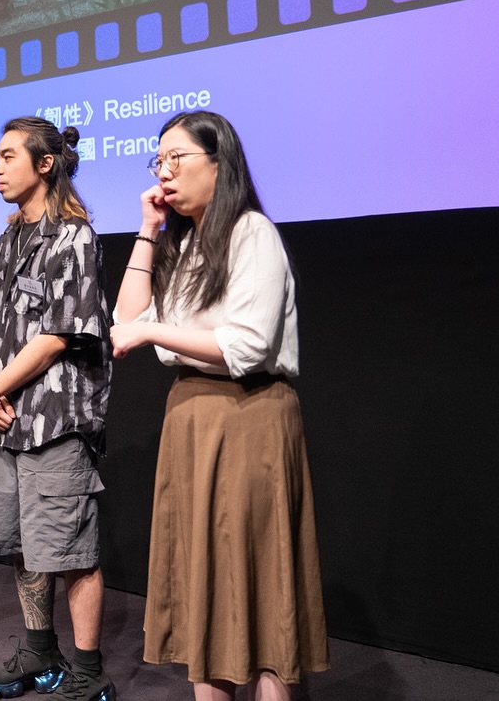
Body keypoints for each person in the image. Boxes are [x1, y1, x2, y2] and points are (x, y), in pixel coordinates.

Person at [109, 111, 329, 701]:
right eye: (158, 160)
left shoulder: (252, 233)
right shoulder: (183, 246)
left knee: (259, 585)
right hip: (191, 417)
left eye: (176, 158)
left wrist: (151, 333)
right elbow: (126, 318)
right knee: (202, 584)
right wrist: (148, 229)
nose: (163, 171)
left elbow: (247, 345)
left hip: (248, 415)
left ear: (218, 163)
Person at [0, 119, 115, 701]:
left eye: (8, 156)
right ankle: (39, 651)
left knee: (71, 549)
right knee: (23, 542)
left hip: (54, 423)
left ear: (45, 163)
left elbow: (57, 336)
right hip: (4, 420)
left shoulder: (75, 238)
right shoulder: (7, 238)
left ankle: (88, 670)